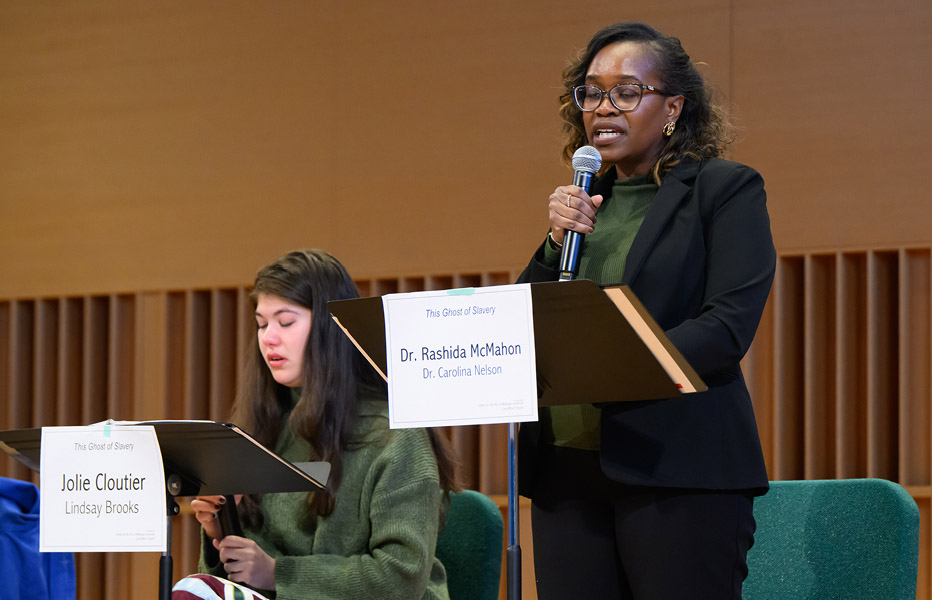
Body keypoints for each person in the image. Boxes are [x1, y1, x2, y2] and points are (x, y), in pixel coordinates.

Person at [516, 22, 776, 600]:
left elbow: (726, 327)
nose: (603, 108)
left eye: (626, 92)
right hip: (565, 478)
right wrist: (554, 244)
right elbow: (523, 328)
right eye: (591, 92)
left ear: (672, 108)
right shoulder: (584, 205)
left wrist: (611, 367)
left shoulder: (723, 190)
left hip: (677, 470)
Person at [172, 249, 458, 600]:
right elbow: (239, 583)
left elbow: (401, 578)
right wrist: (220, 531)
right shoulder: (260, 428)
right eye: (262, 324)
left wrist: (277, 573)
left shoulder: (396, 436)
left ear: (329, 328)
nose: (268, 338)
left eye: (285, 322)